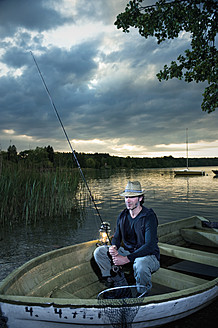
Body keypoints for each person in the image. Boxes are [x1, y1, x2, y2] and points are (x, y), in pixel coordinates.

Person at [94, 180, 160, 296]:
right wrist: (114, 247)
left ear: (140, 198)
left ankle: (142, 294)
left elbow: (150, 246)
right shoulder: (123, 215)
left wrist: (126, 259)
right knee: (99, 252)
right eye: (126, 197)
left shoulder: (149, 217)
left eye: (132, 197)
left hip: (148, 256)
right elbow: (117, 237)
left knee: (140, 264)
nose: (128, 200)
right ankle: (118, 283)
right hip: (129, 253)